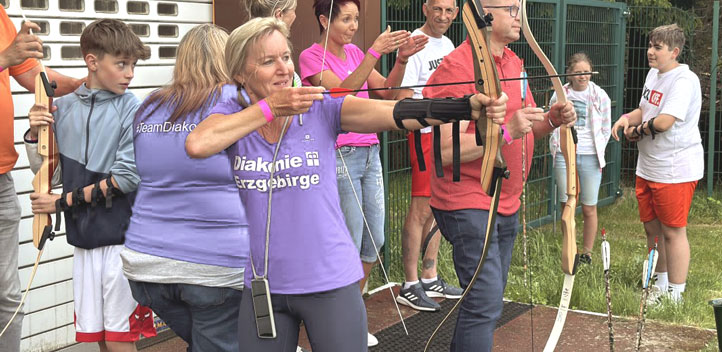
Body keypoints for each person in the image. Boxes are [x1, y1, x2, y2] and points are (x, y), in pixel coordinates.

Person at [184, 17, 507, 352]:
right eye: (268, 62)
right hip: (264, 285)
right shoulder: (231, 113)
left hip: (329, 282)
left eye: (285, 57)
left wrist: (461, 107)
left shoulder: (318, 106)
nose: (282, 69)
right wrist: (269, 109)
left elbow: (393, 113)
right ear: (240, 73)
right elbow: (198, 144)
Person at [423, 0, 576, 351]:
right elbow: (444, 151)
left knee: (483, 303)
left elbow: (529, 124)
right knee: (485, 302)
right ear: (485, 15)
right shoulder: (455, 68)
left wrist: (553, 119)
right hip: (468, 201)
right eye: (511, 9)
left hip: (504, 200)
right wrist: (506, 132)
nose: (519, 16)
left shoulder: (513, 61)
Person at [298, 0, 427, 346]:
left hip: (370, 154)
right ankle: (342, 322)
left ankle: (347, 314)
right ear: (325, 20)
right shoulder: (311, 57)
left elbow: (385, 91)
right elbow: (341, 95)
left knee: (376, 241)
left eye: (356, 18)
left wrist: (400, 59)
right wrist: (374, 52)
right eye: (346, 18)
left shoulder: (355, 51)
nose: (353, 25)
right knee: (350, 243)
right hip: (342, 155)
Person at [26, 19, 155, 351]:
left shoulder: (133, 108)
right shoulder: (63, 108)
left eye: (133, 65)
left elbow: (126, 179)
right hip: (84, 242)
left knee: (118, 339)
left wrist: (60, 204)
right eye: (121, 63)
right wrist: (34, 134)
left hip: (123, 240)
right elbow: (49, 174)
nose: (130, 73)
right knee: (96, 338)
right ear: (92, 61)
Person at [121, 24, 246, 351]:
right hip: (215, 265)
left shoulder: (149, 105)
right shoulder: (237, 102)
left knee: (208, 341)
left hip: (146, 266)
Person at [0, 5, 82, 352]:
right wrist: (4, 56)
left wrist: (87, 83)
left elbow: (36, 75)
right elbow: (8, 59)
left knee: (7, 298)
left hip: (1, 178)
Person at [611, 24, 702, 304]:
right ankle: (660, 285)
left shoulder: (684, 81)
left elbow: (663, 122)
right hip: (648, 166)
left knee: (673, 231)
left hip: (674, 170)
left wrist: (635, 132)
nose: (650, 52)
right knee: (652, 229)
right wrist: (627, 118)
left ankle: (676, 293)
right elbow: (647, 110)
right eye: (650, 45)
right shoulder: (654, 74)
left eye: (657, 47)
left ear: (674, 52)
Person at [395, 0, 462, 312]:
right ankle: (409, 283)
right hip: (424, 134)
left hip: (444, 135)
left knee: (436, 205)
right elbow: (402, 99)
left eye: (449, 11)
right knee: (420, 208)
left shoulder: (447, 44)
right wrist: (432, 113)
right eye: (438, 9)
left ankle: (430, 274)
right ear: (425, 9)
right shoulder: (416, 45)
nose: (443, 16)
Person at [549, 53, 611, 265]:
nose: (582, 76)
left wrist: (597, 149)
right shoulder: (559, 95)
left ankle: (587, 252)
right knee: (567, 204)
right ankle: (569, 249)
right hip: (564, 154)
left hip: (590, 155)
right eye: (577, 73)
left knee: (588, 206)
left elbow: (605, 127)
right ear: (569, 74)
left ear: (591, 72)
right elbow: (551, 122)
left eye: (585, 72)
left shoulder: (600, 96)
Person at [240, 0, 303, 87]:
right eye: (268, 61)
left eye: (285, 58)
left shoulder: (241, 45)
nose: (295, 16)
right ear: (279, 15)